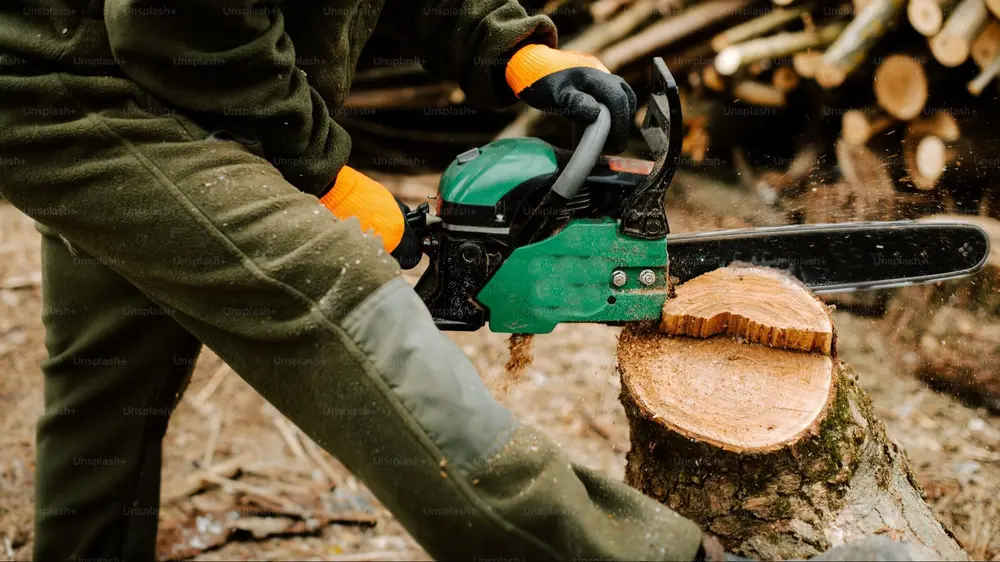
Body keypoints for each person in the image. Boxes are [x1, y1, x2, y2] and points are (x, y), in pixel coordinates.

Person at [0, 1, 917, 560]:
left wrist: (513, 49)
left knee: (109, 372)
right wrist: (329, 180)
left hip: (126, 61)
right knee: (330, 290)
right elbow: (181, 26)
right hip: (77, 91)